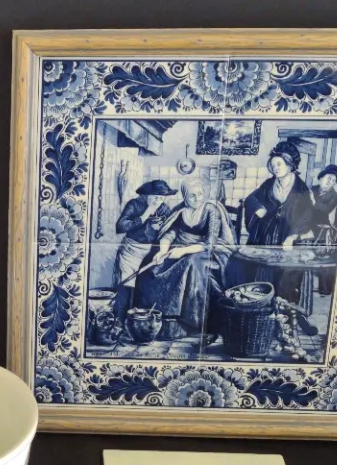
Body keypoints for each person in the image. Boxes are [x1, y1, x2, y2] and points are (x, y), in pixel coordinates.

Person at [132, 177, 236, 342]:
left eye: (200, 194)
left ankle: (190, 323)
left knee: (190, 264)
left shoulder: (211, 210)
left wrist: (183, 251)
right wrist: (163, 250)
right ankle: (163, 320)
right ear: (185, 196)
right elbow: (170, 233)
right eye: (192, 195)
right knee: (151, 267)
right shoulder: (180, 210)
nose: (197, 198)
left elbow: (210, 243)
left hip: (208, 251)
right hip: (179, 247)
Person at [226, 141, 316, 302]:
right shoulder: (269, 184)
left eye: (279, 164)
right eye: (273, 165)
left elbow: (306, 217)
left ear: (290, 165)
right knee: (244, 264)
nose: (275, 168)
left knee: (284, 272)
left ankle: (280, 305)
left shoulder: (302, 190)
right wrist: (258, 208)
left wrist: (292, 236)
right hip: (264, 234)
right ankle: (256, 301)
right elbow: (251, 199)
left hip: (288, 237)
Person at [112, 180, 178, 322]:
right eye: (155, 197)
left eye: (161, 198)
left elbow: (171, 229)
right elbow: (120, 226)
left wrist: (161, 229)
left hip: (151, 253)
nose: (158, 201)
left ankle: (140, 322)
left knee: (145, 287)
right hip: (131, 251)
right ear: (146, 195)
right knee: (126, 285)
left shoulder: (164, 209)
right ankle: (119, 322)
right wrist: (145, 215)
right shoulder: (134, 205)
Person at [311, 164, 337, 295]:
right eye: (328, 178)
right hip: (305, 223)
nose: (330, 182)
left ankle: (325, 289)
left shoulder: (335, 195)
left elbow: (326, 209)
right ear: (321, 178)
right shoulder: (311, 189)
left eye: (333, 180)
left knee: (323, 256)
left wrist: (312, 201)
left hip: (322, 226)